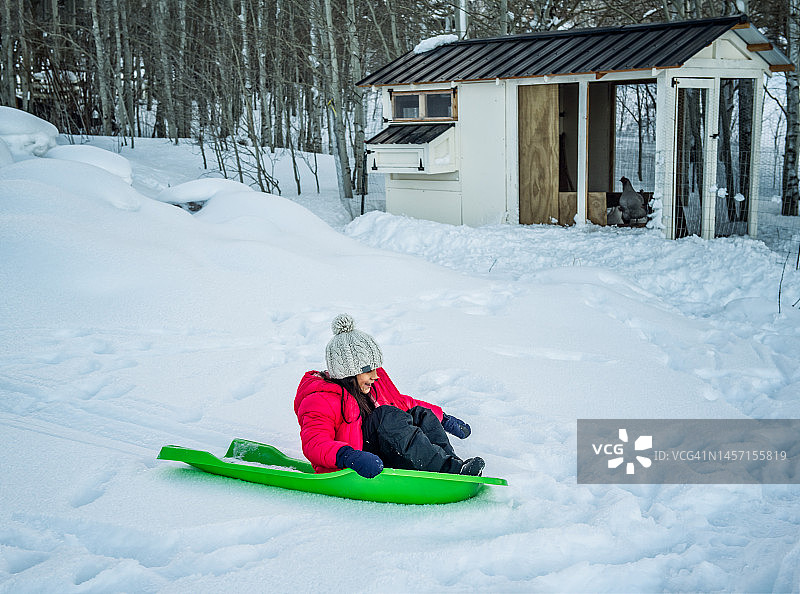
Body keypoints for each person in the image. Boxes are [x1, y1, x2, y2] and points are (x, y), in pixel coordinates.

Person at [294, 313, 485, 479]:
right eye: (368, 369)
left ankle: (452, 466)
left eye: (376, 367)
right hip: (359, 462)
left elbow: (402, 403)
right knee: (385, 415)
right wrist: (349, 456)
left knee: (420, 413)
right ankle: (447, 470)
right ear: (347, 372)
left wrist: (443, 418)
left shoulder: (373, 383)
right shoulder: (320, 399)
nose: (375, 375)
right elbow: (315, 443)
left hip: (383, 450)